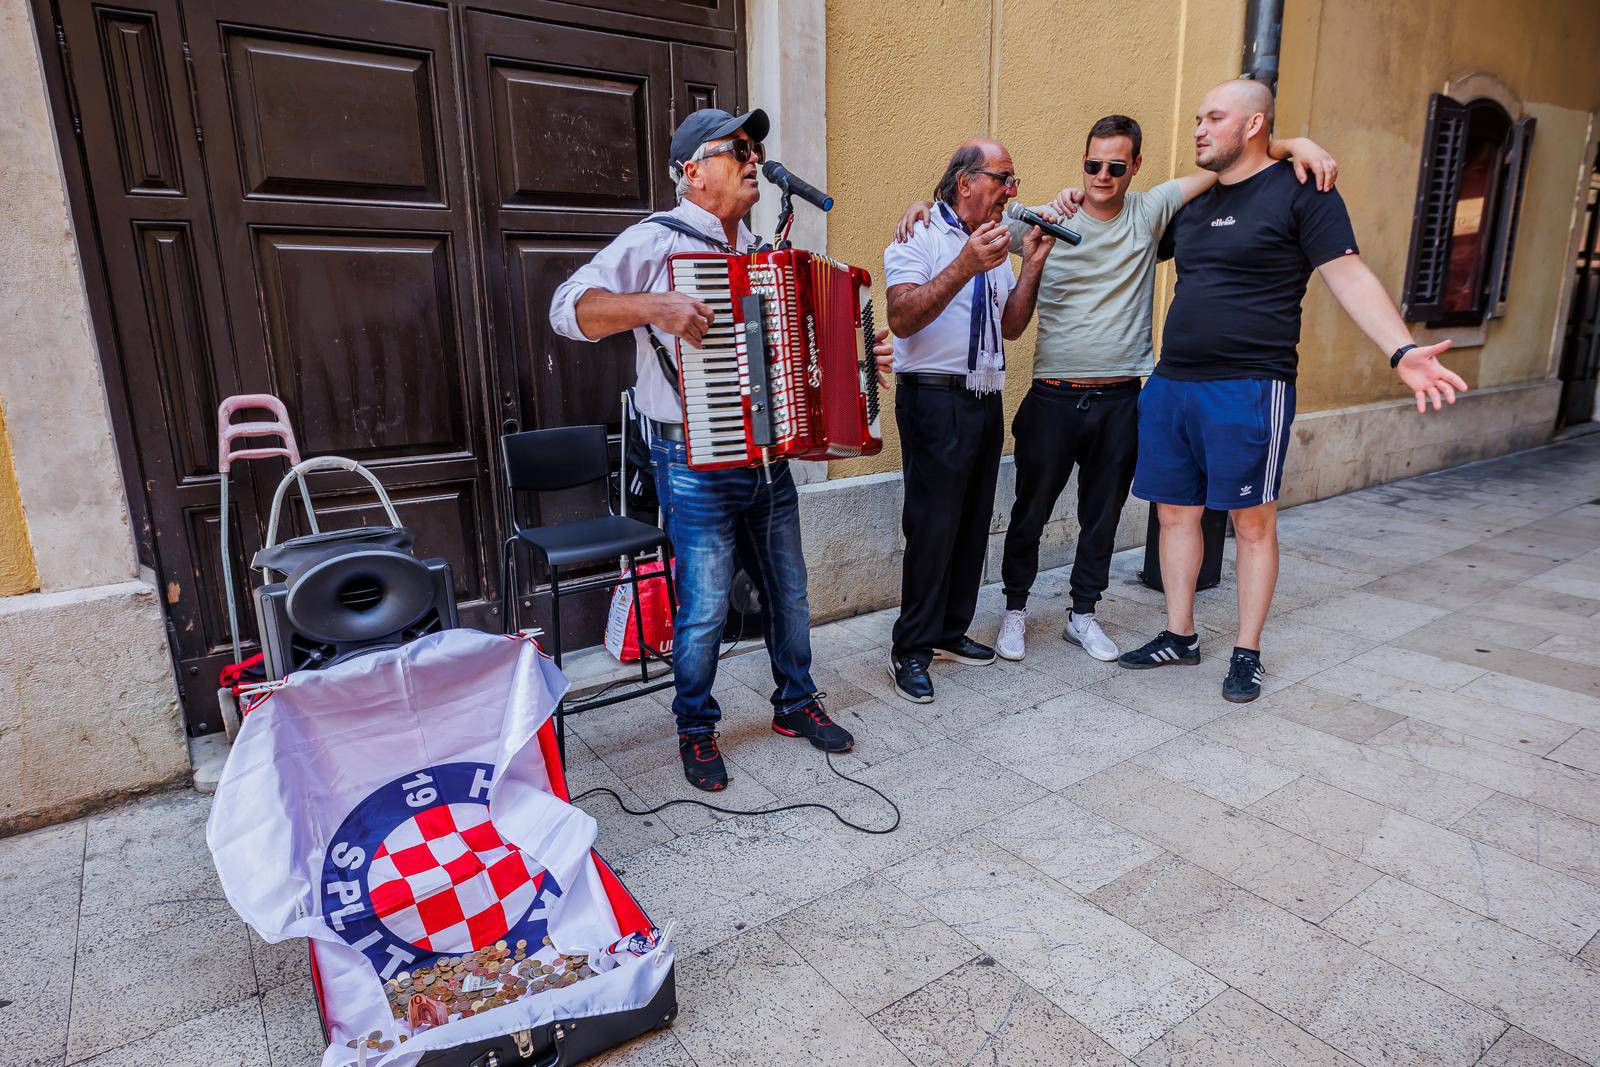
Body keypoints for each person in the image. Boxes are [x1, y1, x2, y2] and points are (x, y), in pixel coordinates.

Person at [895, 117, 1336, 665]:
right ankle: (1012, 612)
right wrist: (920, 205)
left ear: (1136, 169)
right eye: (1092, 164)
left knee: (1099, 516)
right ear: (1081, 163)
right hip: (1048, 394)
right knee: (1026, 513)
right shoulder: (1046, 216)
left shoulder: (1150, 213)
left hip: (1122, 394)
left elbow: (1228, 162)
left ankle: (1083, 614)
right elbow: (960, 218)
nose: (1102, 175)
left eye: (1116, 166)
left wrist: (1291, 143)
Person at [549, 108, 895, 790]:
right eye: (737, 148)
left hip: (770, 459)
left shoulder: (762, 252)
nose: (752, 157)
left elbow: (802, 360)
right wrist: (653, 307)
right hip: (691, 464)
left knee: (791, 592)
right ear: (691, 172)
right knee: (704, 605)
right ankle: (696, 725)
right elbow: (567, 307)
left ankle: (796, 703)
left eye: (756, 147)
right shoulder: (656, 239)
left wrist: (861, 357)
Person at [1116, 79, 1467, 702]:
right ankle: (1180, 633)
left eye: (1214, 116)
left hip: (1251, 387)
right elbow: (1122, 224)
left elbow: (1349, 275)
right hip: (1173, 383)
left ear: (1253, 126)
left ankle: (1247, 650)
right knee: (1175, 512)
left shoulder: (1303, 192)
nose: (1198, 127)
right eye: (1198, 116)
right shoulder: (1194, 205)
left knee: (1252, 522)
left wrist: (1403, 350)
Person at [882, 139, 1055, 704]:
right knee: (931, 526)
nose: (1013, 190)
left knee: (974, 519)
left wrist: (1029, 265)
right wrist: (964, 264)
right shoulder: (919, 236)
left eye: (1013, 179)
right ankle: (910, 648)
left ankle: (949, 632)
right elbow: (902, 318)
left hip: (983, 395)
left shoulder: (996, 247)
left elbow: (1011, 327)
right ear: (966, 183)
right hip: (933, 399)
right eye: (1004, 178)